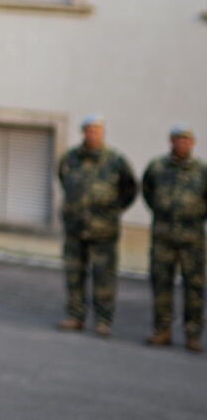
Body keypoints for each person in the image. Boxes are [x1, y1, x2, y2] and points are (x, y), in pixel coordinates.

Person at [55, 115, 138, 337]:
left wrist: (111, 210)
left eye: (97, 131)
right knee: (74, 274)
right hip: (75, 228)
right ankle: (75, 316)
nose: (93, 135)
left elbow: (130, 189)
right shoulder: (70, 158)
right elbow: (63, 179)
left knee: (104, 276)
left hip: (103, 231)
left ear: (103, 133)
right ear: (83, 132)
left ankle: (103, 320)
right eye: (89, 130)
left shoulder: (116, 161)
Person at [142, 124, 205, 351]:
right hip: (163, 237)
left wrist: (195, 216)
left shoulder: (202, 171)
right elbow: (147, 191)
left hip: (192, 240)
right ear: (171, 142)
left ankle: (193, 334)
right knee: (161, 285)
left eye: (186, 140)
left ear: (192, 143)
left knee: (194, 288)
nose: (181, 143)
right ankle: (162, 330)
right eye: (178, 139)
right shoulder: (158, 167)